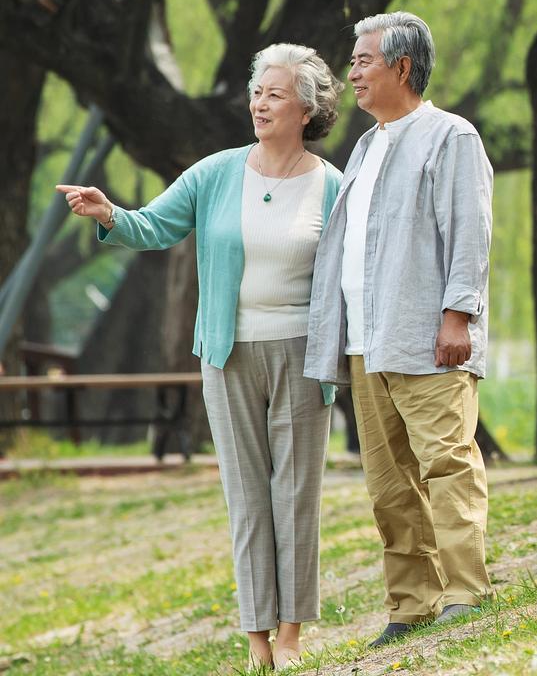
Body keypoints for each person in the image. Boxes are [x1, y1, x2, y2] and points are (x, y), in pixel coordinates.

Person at [57, 43, 343, 671]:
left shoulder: (332, 187)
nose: (259, 102)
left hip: (302, 354)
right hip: (227, 352)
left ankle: (292, 636)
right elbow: (154, 226)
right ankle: (257, 641)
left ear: (307, 107)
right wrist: (109, 213)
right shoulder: (215, 174)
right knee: (246, 497)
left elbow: (352, 276)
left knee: (295, 496)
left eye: (273, 93)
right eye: (256, 91)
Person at [304, 11, 494, 647]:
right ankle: (411, 603)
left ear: (403, 68)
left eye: (363, 61)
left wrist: (457, 315)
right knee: (388, 485)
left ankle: (466, 592)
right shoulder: (366, 144)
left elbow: (469, 233)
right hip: (367, 341)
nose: (351, 72)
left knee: (447, 464)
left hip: (427, 336)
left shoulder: (450, 136)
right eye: (353, 61)